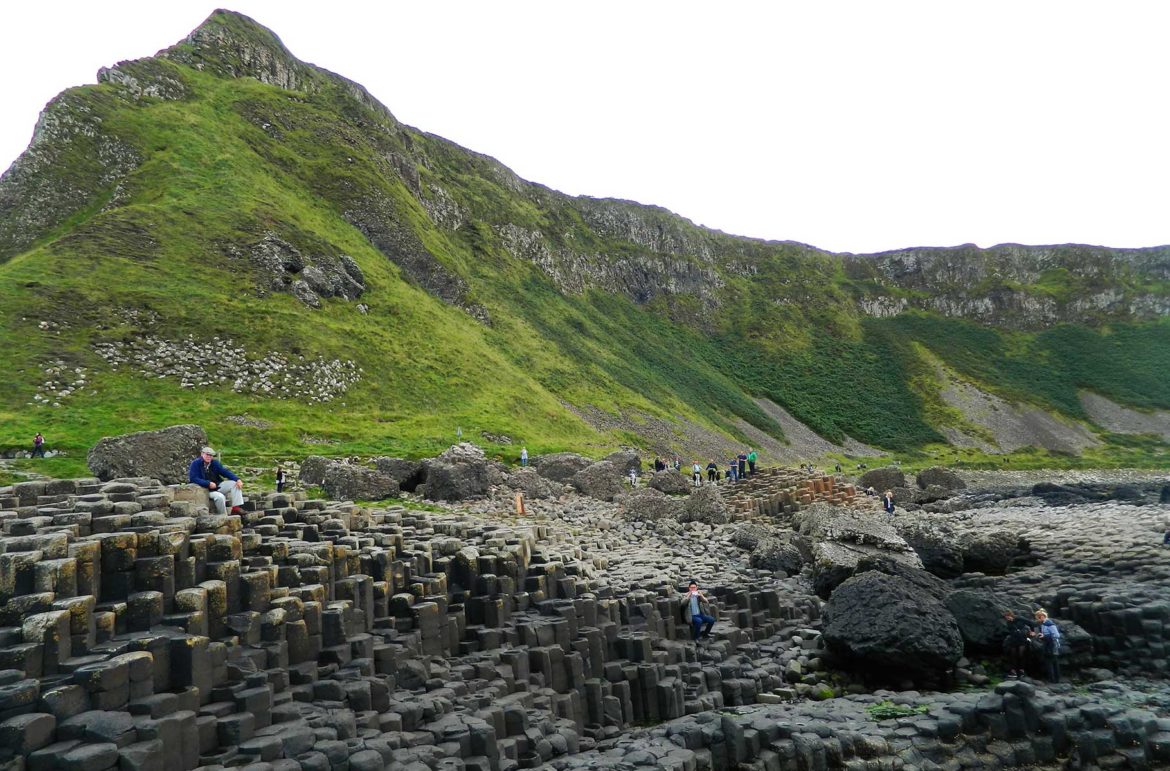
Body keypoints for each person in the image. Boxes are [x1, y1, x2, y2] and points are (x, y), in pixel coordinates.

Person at [189, 446, 245, 516]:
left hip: (217, 486)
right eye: (207, 454)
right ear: (202, 454)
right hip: (204, 490)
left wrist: (237, 479)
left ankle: (236, 508)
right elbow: (193, 478)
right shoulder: (195, 464)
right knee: (220, 497)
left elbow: (225, 472)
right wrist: (208, 483)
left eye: (211, 455)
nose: (209, 457)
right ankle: (223, 516)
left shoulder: (215, 463)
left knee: (235, 484)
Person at [1032, 609, 1062, 682]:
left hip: (1052, 645)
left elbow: (1056, 635)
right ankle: (1054, 679)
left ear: (1042, 617)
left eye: (1038, 618)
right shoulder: (1043, 624)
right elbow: (1045, 634)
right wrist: (1038, 635)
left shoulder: (1050, 624)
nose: (1037, 620)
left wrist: (1044, 636)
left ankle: (1054, 680)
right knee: (1052, 662)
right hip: (1047, 645)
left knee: (1052, 662)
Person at [1002, 610, 1031, 678]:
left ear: (1011, 615)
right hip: (1013, 640)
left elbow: (1030, 622)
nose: (1007, 619)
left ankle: (1022, 670)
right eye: (1006, 618)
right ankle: (1014, 671)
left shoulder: (1019, 619)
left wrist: (1032, 631)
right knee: (1013, 655)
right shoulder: (1008, 623)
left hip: (1022, 639)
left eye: (1008, 617)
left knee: (1021, 655)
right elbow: (1011, 631)